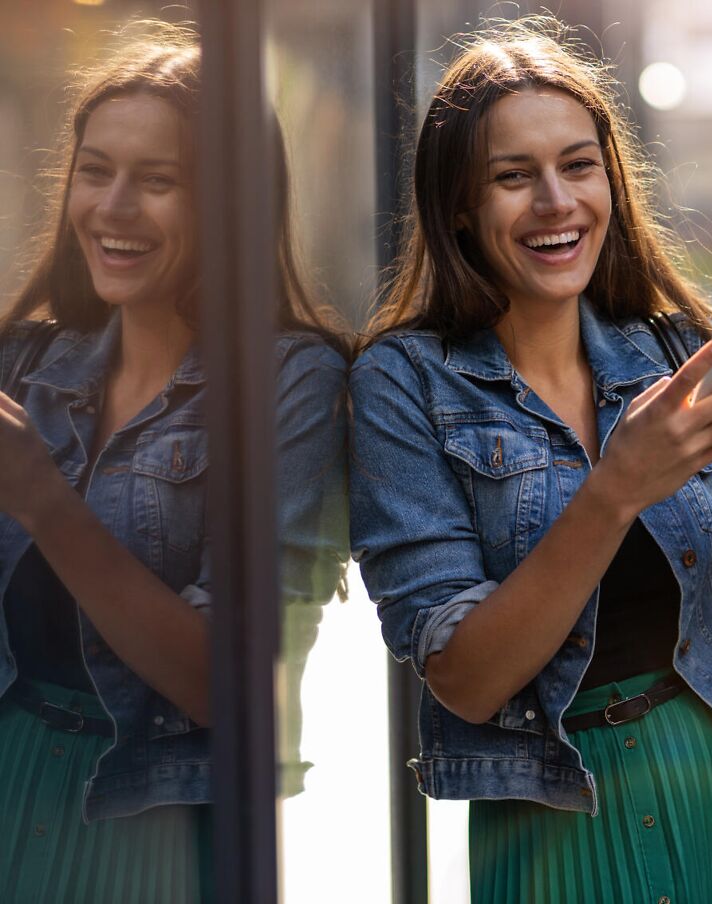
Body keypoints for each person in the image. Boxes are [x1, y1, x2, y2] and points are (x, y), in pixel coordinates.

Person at [350, 17, 712, 903]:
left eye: (578, 165)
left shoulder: (679, 350)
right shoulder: (400, 383)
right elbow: (468, 679)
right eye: (512, 177)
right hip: (559, 833)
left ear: (612, 180)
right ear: (458, 206)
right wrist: (611, 495)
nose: (557, 202)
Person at [0, 22, 348, 903]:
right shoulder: (27, 362)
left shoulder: (291, 381)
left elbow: (231, 681)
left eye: (158, 182)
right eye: (95, 170)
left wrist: (44, 500)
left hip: (156, 819)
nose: (112, 207)